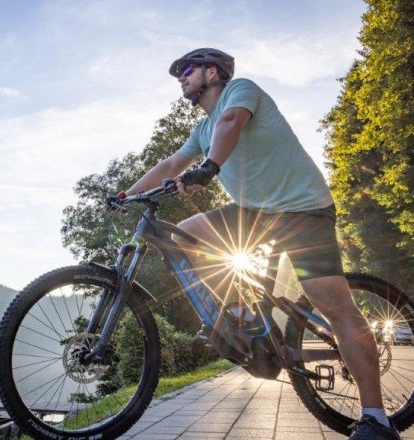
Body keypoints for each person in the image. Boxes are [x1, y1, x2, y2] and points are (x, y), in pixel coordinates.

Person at [111, 48, 399, 440]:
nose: (180, 77)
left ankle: (376, 420)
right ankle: (239, 316)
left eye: (186, 70)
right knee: (186, 233)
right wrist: (125, 196)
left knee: (332, 303)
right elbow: (169, 166)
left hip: (303, 210)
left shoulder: (239, 91)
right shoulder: (202, 129)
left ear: (212, 72)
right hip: (257, 211)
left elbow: (232, 122)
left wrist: (210, 167)